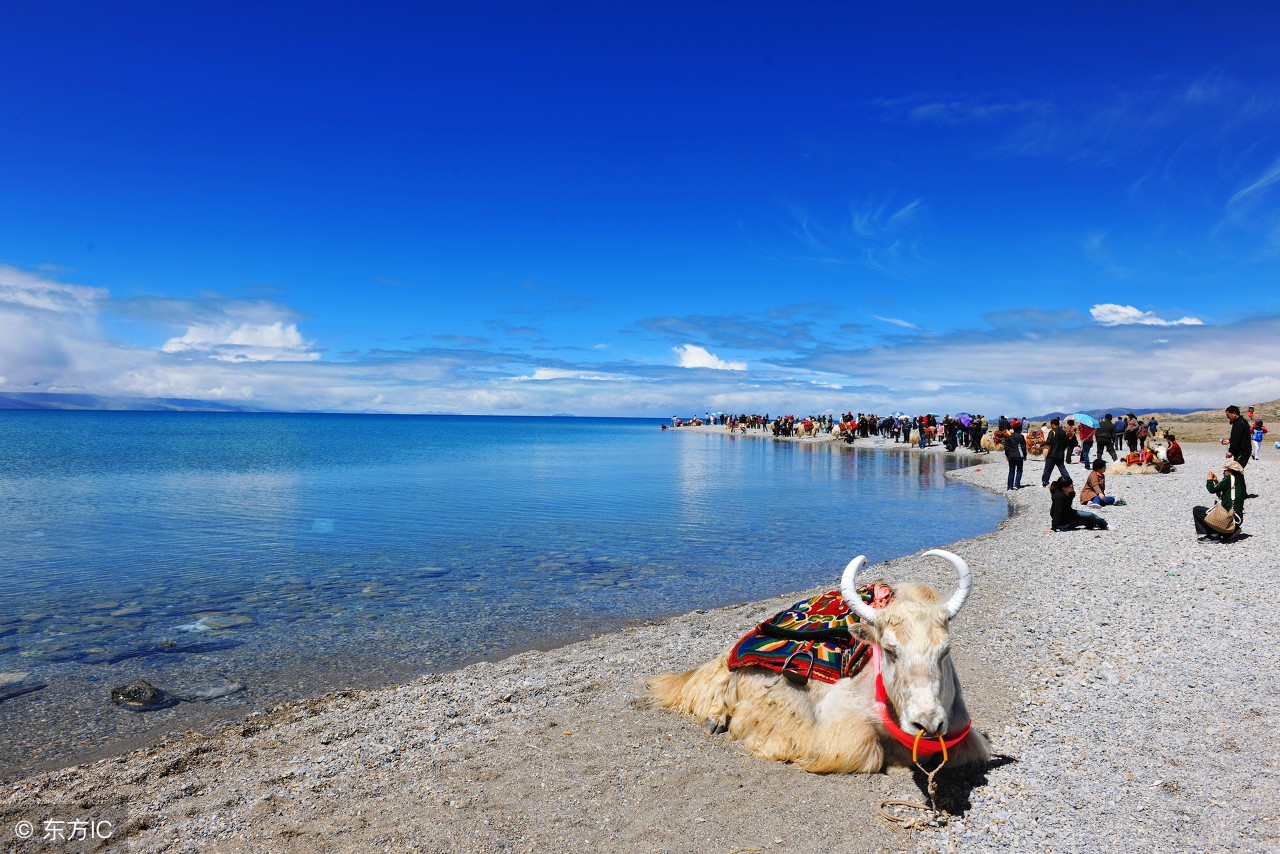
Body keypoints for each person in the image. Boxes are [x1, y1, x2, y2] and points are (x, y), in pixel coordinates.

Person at [1194, 461, 1247, 541]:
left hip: (1228, 518)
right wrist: (1216, 482)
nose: (1223, 473)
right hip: (1237, 519)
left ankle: (1213, 535)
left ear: (1230, 471)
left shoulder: (1229, 478)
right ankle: (1229, 532)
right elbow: (1221, 496)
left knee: (1197, 510)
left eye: (1224, 471)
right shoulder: (1240, 481)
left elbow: (1212, 490)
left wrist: (1209, 480)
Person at [1223, 405, 1251, 492]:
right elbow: (1239, 436)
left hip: (1242, 452)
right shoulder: (1242, 421)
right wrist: (1230, 440)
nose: (1228, 417)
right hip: (1243, 451)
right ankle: (1241, 493)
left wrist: (1230, 451)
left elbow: (1237, 438)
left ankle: (1237, 493)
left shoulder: (1238, 423)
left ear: (1234, 414)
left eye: (1228, 415)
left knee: (1234, 471)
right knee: (1238, 471)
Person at [1042, 417, 1070, 487]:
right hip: (1060, 454)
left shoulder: (1052, 432)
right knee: (1062, 469)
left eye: (1051, 424)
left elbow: (1049, 441)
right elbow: (1066, 443)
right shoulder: (1064, 432)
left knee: (1048, 469)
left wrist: (1041, 445)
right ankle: (1068, 481)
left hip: (1052, 454)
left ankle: (1045, 482)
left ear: (1053, 425)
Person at [1004, 421, 1027, 490]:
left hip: (1011, 455)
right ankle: (1017, 485)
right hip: (1019, 455)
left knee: (1011, 471)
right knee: (1019, 470)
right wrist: (1025, 455)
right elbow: (1023, 447)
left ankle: (1010, 487)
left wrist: (1007, 456)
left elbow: (1006, 447)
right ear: (1020, 429)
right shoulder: (1021, 436)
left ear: (1013, 429)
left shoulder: (1009, 437)